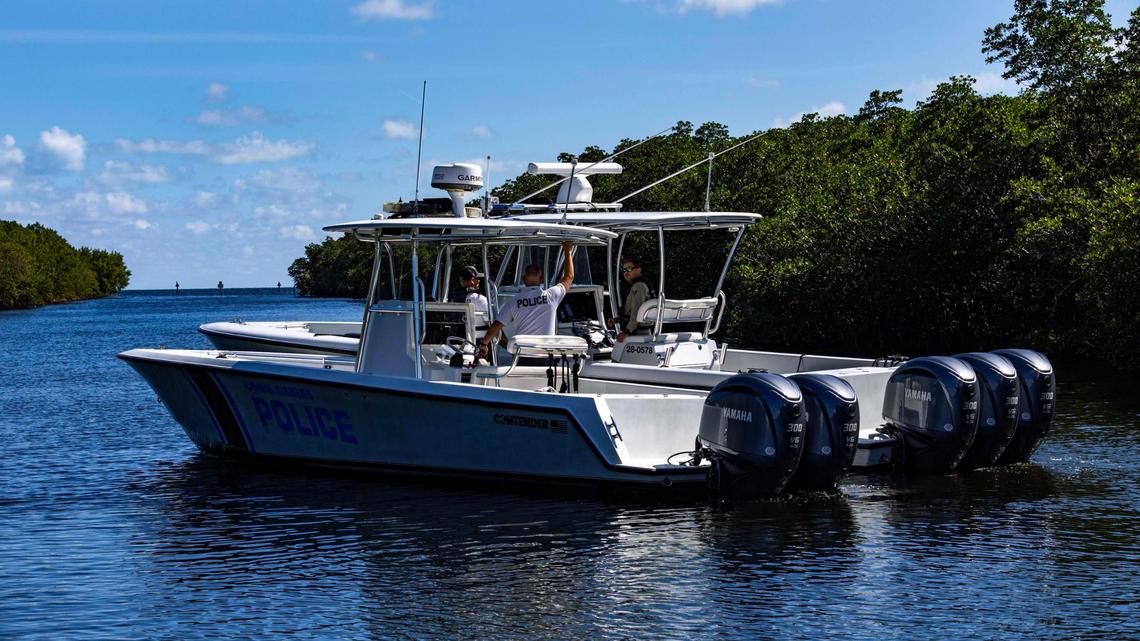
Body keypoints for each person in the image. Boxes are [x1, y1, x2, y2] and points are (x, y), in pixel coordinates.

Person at [478, 241, 575, 356]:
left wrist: (483, 344)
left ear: (524, 279)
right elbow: (569, 276)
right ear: (540, 281)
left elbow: (496, 326)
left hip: (523, 355)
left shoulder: (513, 301)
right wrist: (567, 250)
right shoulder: (551, 296)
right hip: (546, 355)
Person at [609, 257, 652, 342]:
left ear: (638, 270)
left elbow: (637, 311)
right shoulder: (638, 285)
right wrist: (616, 320)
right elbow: (631, 311)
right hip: (640, 331)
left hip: (636, 333)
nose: (626, 272)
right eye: (624, 270)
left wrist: (626, 332)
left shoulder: (638, 286)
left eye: (629, 269)